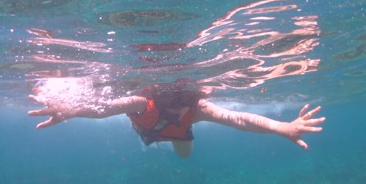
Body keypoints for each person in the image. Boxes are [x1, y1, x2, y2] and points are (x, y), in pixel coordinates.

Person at [28, 79, 325, 158]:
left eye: (192, 106)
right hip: (148, 130)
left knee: (184, 157)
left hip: (178, 136)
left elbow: (238, 118)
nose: (192, 111)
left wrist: (282, 127)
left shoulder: (198, 109)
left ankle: (167, 146)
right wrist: (69, 110)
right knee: (153, 139)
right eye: (188, 107)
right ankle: (155, 145)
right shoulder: (140, 103)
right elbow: (104, 108)